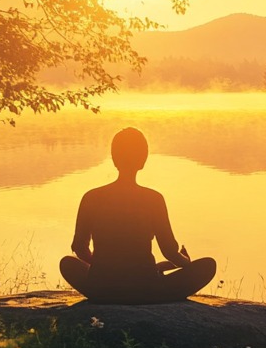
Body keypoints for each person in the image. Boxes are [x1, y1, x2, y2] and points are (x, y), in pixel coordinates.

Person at [59, 127, 217, 304]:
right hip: (146, 288)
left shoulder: (91, 197)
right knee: (208, 266)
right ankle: (152, 278)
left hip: (102, 287)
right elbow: (170, 251)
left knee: (67, 263)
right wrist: (187, 263)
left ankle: (131, 280)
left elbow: (80, 248)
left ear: (114, 158)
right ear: (143, 160)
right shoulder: (153, 199)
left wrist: (104, 267)